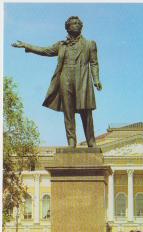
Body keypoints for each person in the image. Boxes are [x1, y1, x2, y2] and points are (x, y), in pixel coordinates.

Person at [12, 16, 102, 148]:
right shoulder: (61, 45)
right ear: (67, 27)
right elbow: (45, 51)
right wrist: (27, 45)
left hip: (82, 80)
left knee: (86, 111)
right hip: (65, 80)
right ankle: (71, 141)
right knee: (68, 111)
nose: (76, 25)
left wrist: (96, 79)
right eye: (73, 23)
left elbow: (94, 63)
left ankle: (91, 141)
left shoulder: (90, 44)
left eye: (78, 23)